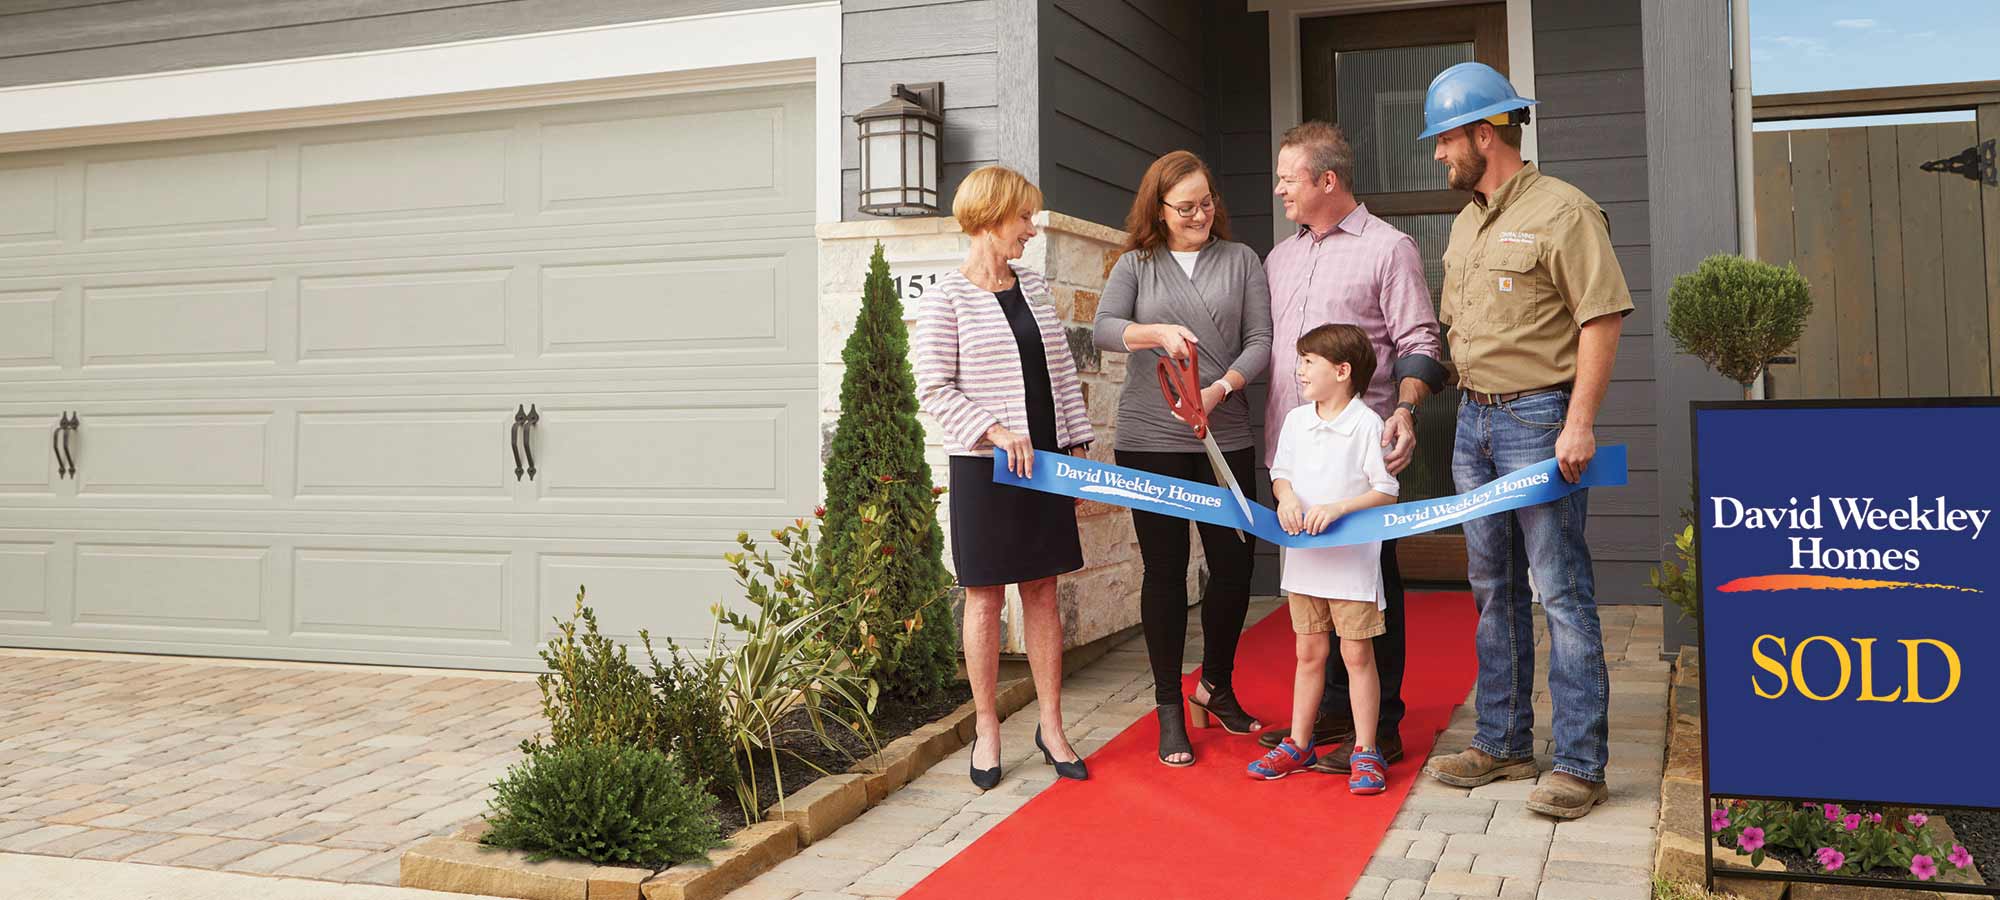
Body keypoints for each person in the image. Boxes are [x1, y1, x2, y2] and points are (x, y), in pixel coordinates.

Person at [1412, 62, 1632, 820]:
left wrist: (1579, 420)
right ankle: (1503, 742)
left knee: (1560, 592)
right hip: (1472, 420)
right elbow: (1459, 332)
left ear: (1485, 133)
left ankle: (1580, 763)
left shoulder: (1565, 211)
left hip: (1540, 421)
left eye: (1446, 141)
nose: (1439, 156)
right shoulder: (1467, 220)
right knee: (1491, 589)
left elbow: (1602, 316)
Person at [1258, 121, 1447, 778]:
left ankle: (1381, 728)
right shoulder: (1279, 259)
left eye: (1289, 177)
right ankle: (1331, 713)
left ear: (1326, 180)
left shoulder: (1388, 248)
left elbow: (1421, 338)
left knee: (1368, 589)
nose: (1279, 187)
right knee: (1313, 589)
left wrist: (1406, 408)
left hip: (1357, 458)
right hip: (1294, 456)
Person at [913, 165, 1094, 789]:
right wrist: (994, 430)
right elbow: (933, 389)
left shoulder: (1036, 286)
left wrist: (1076, 446)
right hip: (986, 468)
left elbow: (1062, 376)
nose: (1031, 229)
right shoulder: (946, 297)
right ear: (991, 218)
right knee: (986, 597)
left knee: (1043, 591)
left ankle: (1051, 724)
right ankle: (987, 727)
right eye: (1023, 218)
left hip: (1044, 462)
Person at [1092, 150, 1273, 767]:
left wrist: (1221, 390)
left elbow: (1261, 342)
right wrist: (1156, 332)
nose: (1200, 214)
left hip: (1225, 435)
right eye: (1185, 207)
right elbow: (1103, 327)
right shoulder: (1137, 264)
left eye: (1206, 202)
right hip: (1150, 439)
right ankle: (1170, 707)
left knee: (1234, 567)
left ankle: (1215, 685)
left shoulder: (1241, 260)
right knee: (1165, 572)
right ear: (1159, 210)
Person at [1248, 323, 1399, 792]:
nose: (1299, 370)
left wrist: (1339, 509)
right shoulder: (1296, 421)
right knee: (1308, 652)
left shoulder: (1367, 423)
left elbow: (1386, 490)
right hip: (1305, 562)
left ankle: (1366, 748)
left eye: (1308, 361)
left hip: (1351, 567)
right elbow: (1281, 473)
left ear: (1343, 370)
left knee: (1356, 655)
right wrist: (1286, 498)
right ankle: (1298, 741)